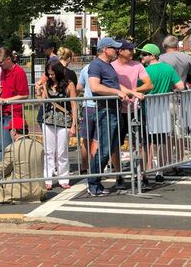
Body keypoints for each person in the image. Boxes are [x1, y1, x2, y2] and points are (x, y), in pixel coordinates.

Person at [87, 37, 128, 196]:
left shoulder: (107, 65)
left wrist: (130, 92)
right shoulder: (96, 65)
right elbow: (95, 86)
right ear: (105, 49)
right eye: (113, 48)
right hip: (105, 111)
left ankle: (95, 182)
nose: (116, 50)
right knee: (104, 150)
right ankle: (93, 183)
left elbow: (114, 85)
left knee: (110, 148)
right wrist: (117, 92)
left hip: (113, 110)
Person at [139, 43, 185, 183]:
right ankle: (160, 171)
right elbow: (181, 86)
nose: (141, 56)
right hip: (163, 108)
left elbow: (139, 88)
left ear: (153, 56)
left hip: (147, 108)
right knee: (162, 141)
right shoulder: (168, 69)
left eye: (144, 54)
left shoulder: (145, 71)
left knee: (146, 143)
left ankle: (143, 173)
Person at [110, 39, 151, 189]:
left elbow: (149, 84)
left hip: (135, 109)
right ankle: (118, 175)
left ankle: (143, 175)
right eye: (130, 50)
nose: (133, 52)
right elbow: (113, 84)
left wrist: (134, 91)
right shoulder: (111, 67)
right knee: (115, 144)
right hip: (117, 110)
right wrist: (130, 91)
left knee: (142, 143)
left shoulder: (137, 65)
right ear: (120, 51)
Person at [0, 116, 46, 203]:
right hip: (39, 192)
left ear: (14, 131)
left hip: (19, 192)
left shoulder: (12, 148)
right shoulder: (39, 145)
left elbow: (1, 171)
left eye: (9, 130)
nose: (9, 133)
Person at [36, 61, 77, 190]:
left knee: (62, 151)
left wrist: (74, 125)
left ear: (58, 72)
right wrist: (38, 92)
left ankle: (63, 178)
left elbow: (74, 105)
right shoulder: (46, 84)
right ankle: (47, 179)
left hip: (64, 121)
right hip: (48, 120)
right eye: (49, 74)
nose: (51, 76)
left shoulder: (69, 85)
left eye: (53, 74)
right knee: (48, 151)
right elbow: (42, 103)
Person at [0, 47, 29, 152]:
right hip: (3, 113)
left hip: (13, 114)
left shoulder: (19, 72)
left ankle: (6, 167)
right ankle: (4, 167)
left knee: (7, 147)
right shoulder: (3, 72)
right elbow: (7, 90)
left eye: (0, 62)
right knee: (2, 146)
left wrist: (6, 100)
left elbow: (24, 95)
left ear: (8, 59)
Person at [77, 63, 98, 174]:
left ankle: (84, 166)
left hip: (88, 105)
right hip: (100, 105)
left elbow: (79, 86)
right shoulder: (106, 67)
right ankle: (95, 167)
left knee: (86, 138)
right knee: (97, 139)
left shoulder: (86, 67)